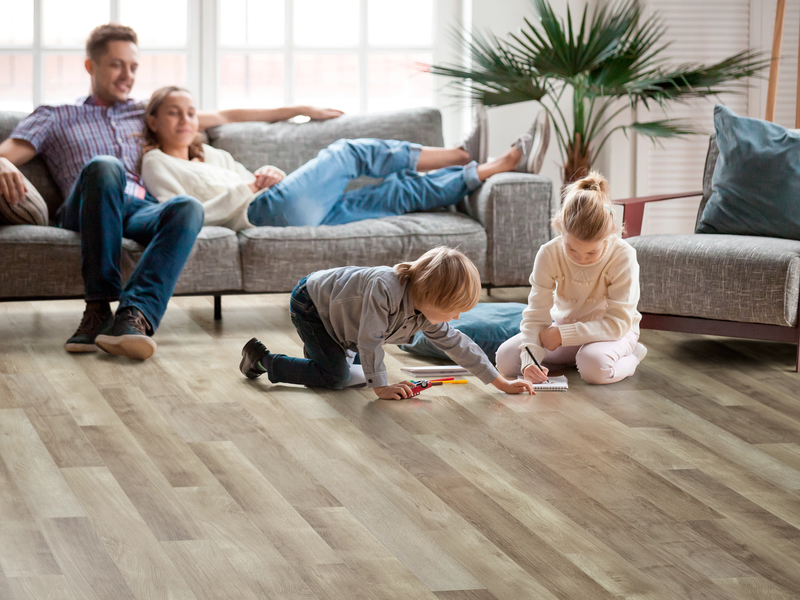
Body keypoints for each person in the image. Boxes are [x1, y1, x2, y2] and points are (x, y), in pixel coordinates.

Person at [0, 24, 342, 360]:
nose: (127, 75)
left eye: (133, 66)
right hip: (88, 207)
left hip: (137, 208)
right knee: (106, 166)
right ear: (91, 66)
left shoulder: (144, 111)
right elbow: (9, 152)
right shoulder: (55, 116)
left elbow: (227, 114)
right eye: (117, 64)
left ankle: (134, 318)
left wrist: (300, 110)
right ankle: (97, 308)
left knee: (187, 207)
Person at [138, 87, 542, 230]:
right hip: (262, 212)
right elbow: (181, 215)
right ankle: (458, 153)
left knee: (395, 193)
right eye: (174, 112)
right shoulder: (156, 163)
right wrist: (249, 188)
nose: (186, 119)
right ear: (153, 121)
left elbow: (254, 177)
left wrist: (270, 173)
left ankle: (492, 167)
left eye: (191, 112)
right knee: (348, 152)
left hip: (281, 205)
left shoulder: (211, 154)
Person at [238, 246, 535, 399]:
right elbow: (370, 340)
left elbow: (459, 345)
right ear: (430, 297)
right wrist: (381, 388)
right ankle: (262, 360)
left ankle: (322, 358)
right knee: (337, 378)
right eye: (452, 311)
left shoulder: (426, 312)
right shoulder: (385, 289)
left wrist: (501, 382)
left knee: (347, 373)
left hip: (344, 321)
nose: (456, 318)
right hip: (313, 305)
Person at [495, 172, 647, 385]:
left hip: (613, 333)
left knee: (594, 368)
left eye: (591, 253)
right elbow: (536, 315)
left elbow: (617, 324)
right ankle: (576, 358)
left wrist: (562, 335)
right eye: (572, 249)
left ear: (611, 233)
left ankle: (631, 356)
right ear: (560, 227)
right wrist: (530, 361)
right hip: (564, 329)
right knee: (505, 360)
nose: (581, 259)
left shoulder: (623, 255)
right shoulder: (549, 253)